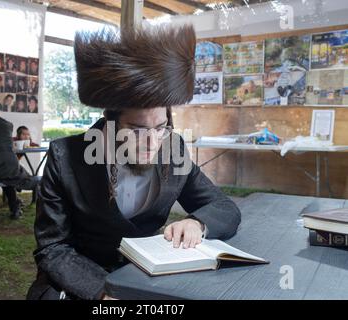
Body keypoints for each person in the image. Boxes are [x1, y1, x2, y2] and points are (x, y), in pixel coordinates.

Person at [27, 25, 241, 300]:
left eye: (161, 127)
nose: (152, 142)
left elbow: (223, 207)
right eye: (137, 129)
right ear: (110, 121)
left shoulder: (172, 148)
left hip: (142, 274)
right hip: (80, 278)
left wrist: (197, 224)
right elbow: (52, 248)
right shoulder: (64, 156)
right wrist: (102, 292)